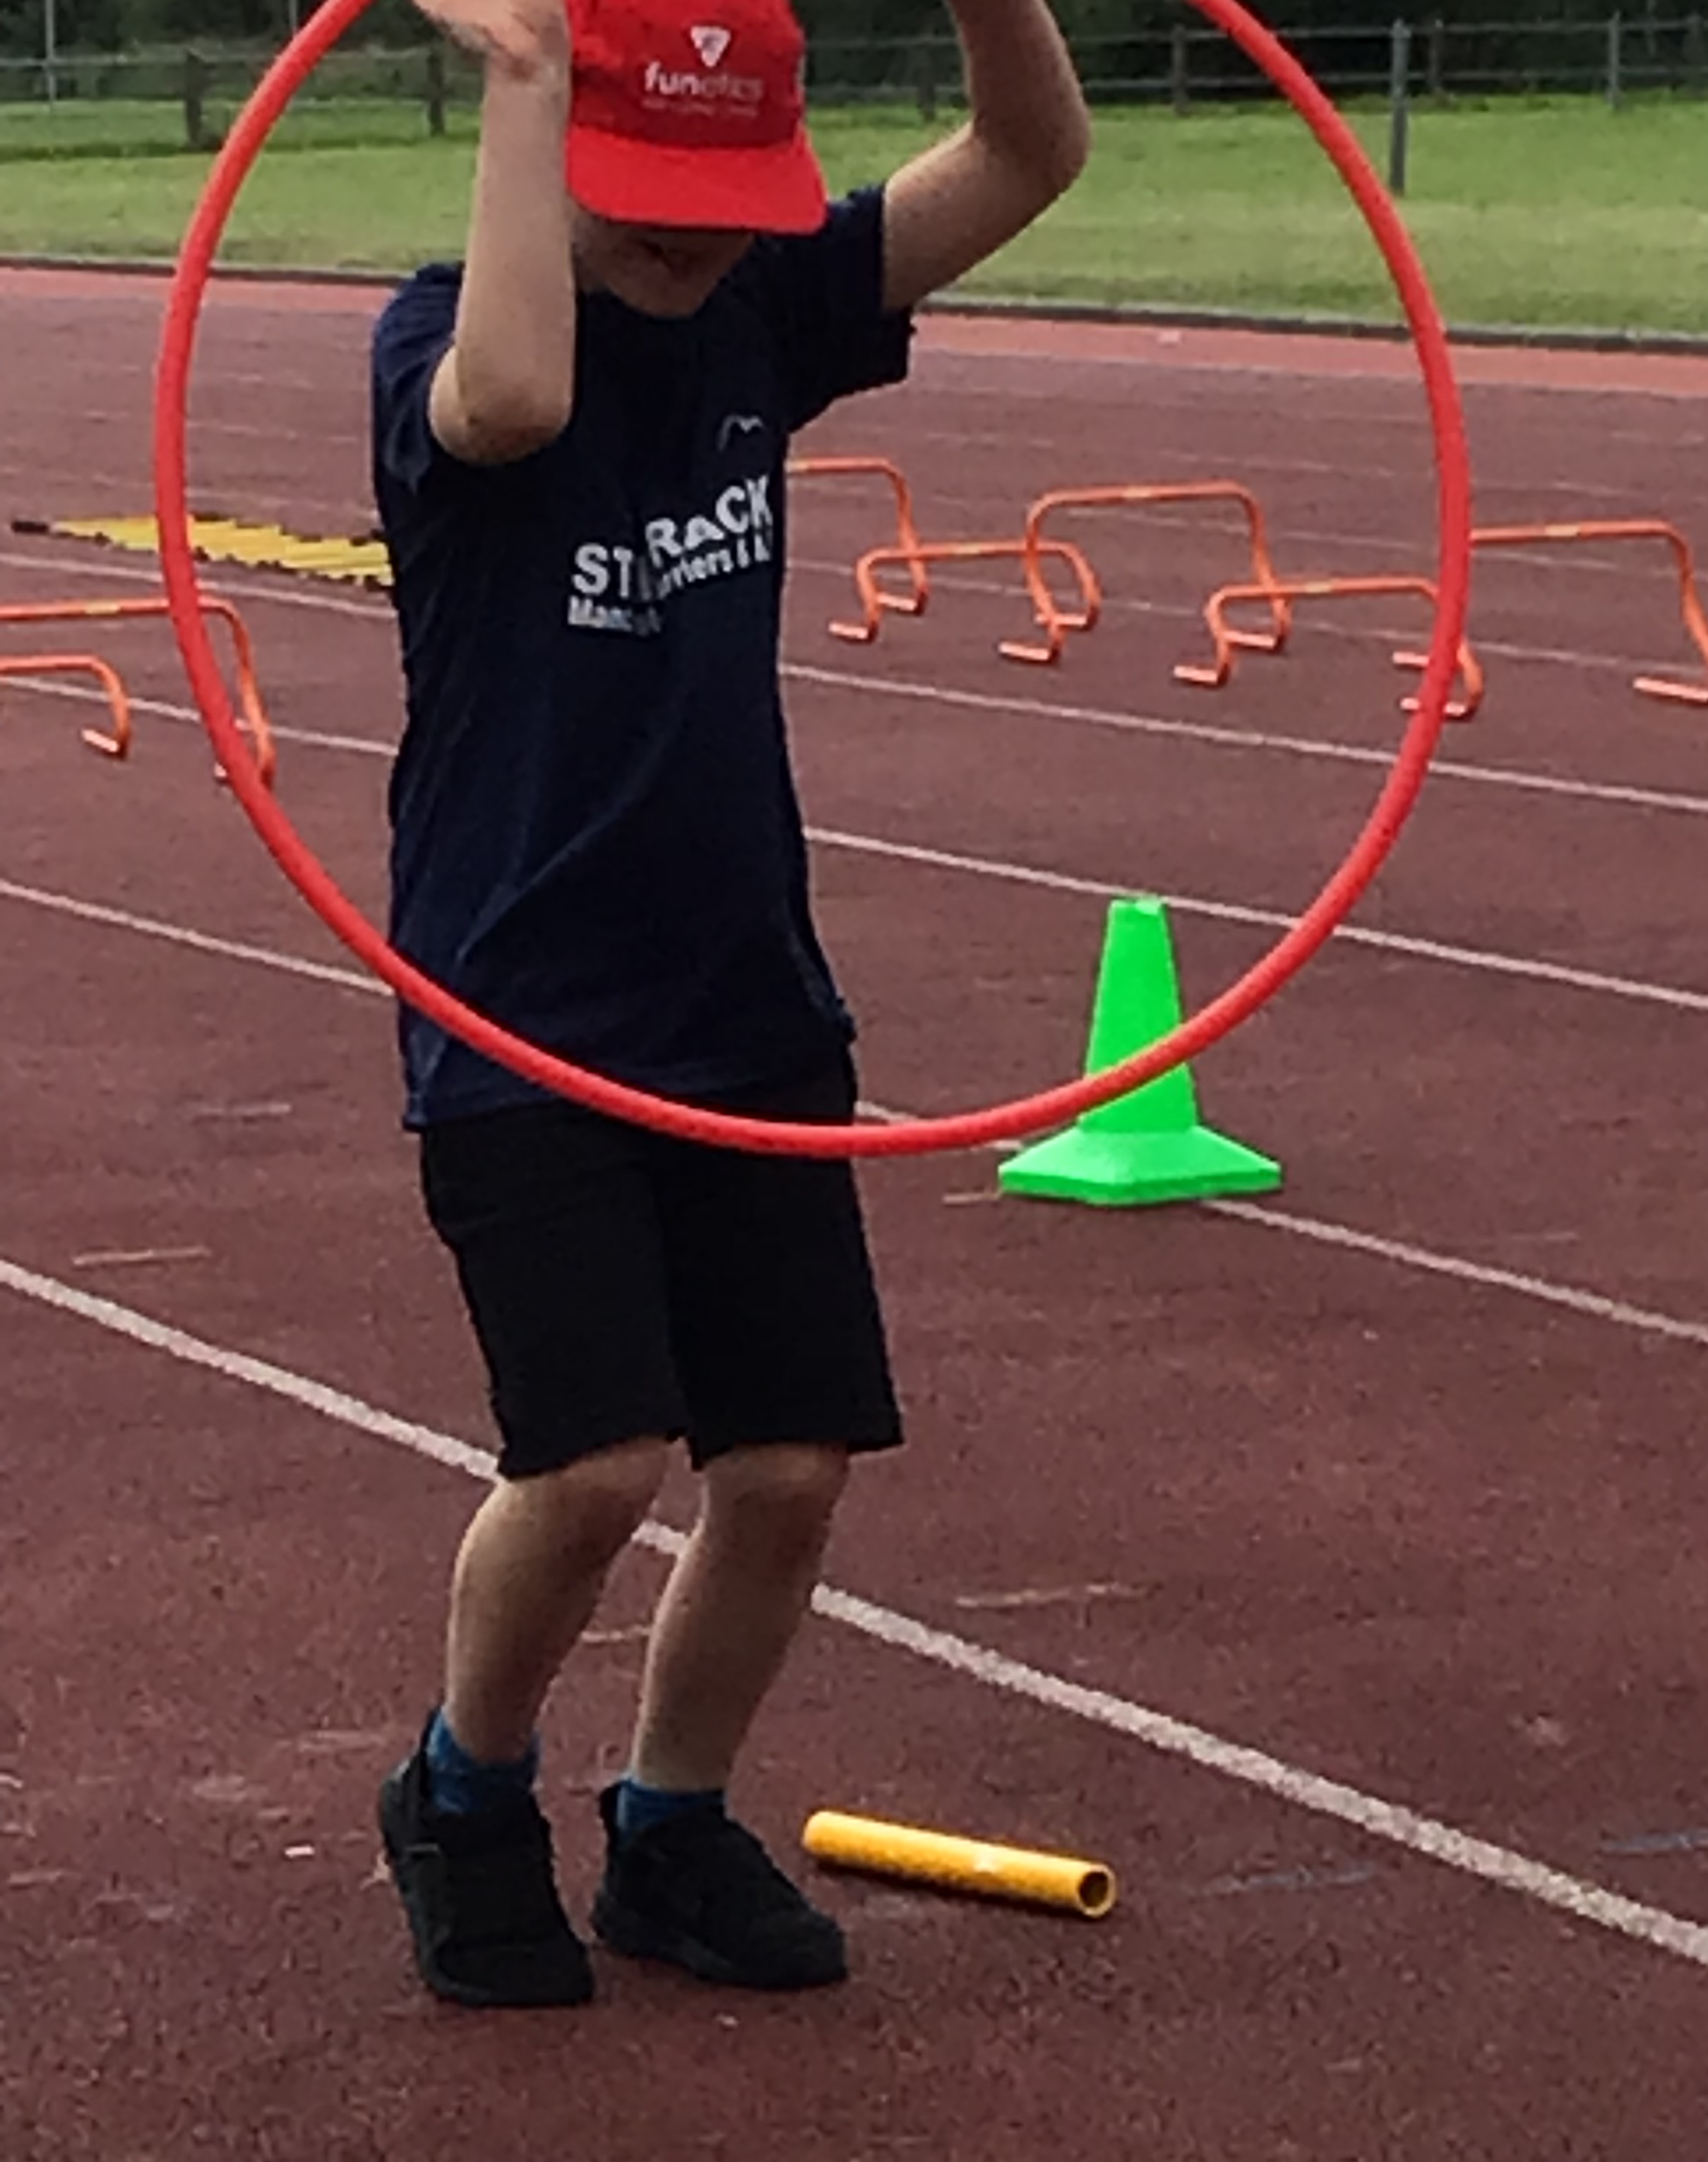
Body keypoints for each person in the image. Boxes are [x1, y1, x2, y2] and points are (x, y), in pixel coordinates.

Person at [374, 0, 1088, 2009]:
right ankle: (463, 1791)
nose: (691, 243)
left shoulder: (766, 308)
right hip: (521, 1006)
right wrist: (528, 76)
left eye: (721, 201)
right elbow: (515, 402)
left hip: (744, 996)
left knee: (783, 1471)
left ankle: (672, 1826)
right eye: (650, 203)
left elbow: (1026, 160)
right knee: (596, 1466)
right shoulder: (441, 338)